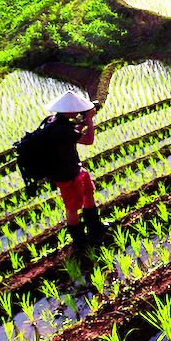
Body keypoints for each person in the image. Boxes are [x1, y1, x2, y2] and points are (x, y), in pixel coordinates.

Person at [45, 89, 112, 251]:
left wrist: (83, 122)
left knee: (88, 193)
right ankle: (79, 241)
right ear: (70, 110)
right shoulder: (59, 128)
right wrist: (89, 120)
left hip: (76, 168)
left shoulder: (57, 121)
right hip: (66, 175)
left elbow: (73, 135)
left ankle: (94, 226)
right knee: (72, 207)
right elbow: (88, 140)